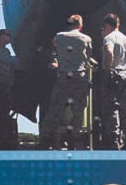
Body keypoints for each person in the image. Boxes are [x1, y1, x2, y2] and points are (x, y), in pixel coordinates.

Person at [40, 14, 94, 149]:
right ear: (80, 25)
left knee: (56, 107)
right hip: (79, 77)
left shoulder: (59, 36)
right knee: (78, 109)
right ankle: (75, 139)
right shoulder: (86, 39)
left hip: (63, 75)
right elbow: (88, 56)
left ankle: (46, 137)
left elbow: (54, 46)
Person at [96, 13, 126, 150]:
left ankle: (113, 141)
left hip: (113, 74)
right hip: (124, 75)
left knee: (111, 109)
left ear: (107, 25)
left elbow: (109, 52)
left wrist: (107, 69)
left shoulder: (108, 38)